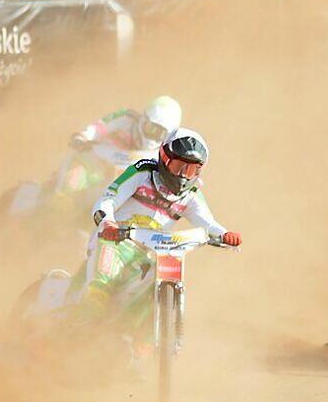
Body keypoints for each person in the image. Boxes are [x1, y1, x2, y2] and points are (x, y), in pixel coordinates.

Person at [67, 129, 241, 332]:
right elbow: (108, 199)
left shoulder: (191, 195)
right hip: (115, 242)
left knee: (155, 287)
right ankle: (82, 322)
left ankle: (141, 338)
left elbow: (207, 223)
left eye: (191, 170)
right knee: (98, 296)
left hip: (149, 256)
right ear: (165, 158)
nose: (183, 176)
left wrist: (225, 235)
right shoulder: (142, 172)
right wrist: (108, 223)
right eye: (179, 166)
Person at [70, 95, 182, 168]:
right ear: (144, 119)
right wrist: (83, 136)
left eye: (160, 133)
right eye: (151, 128)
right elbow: (99, 127)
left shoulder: (165, 156)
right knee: (75, 170)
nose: (153, 135)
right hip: (100, 163)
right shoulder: (126, 118)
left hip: (127, 184)